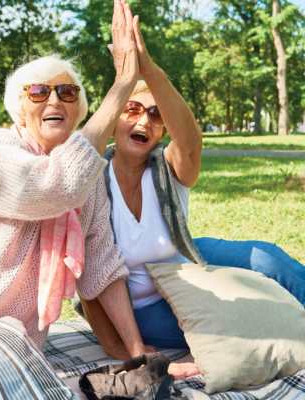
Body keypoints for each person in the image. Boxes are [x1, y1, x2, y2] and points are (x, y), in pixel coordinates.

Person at [0, 1, 149, 359]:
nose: (55, 100)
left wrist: (137, 352)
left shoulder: (87, 178)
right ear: (20, 107)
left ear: (78, 109)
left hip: (2, 347)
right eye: (39, 92)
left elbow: (102, 267)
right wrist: (122, 87)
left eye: (67, 93)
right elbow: (54, 185)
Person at [80, 0, 305, 378]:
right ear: (115, 116)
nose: (144, 119)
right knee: (241, 313)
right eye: (132, 109)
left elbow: (191, 141)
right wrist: (119, 346)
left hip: (184, 259)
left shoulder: (168, 166)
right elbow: (79, 156)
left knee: (265, 257)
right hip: (145, 303)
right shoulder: (91, 176)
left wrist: (146, 67)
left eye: (155, 114)